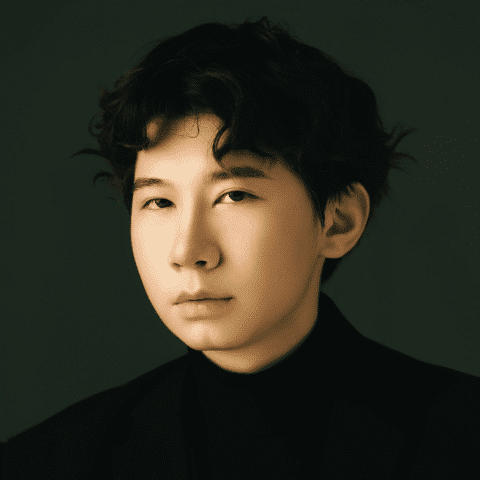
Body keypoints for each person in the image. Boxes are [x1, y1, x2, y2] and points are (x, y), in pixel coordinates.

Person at [2, 15, 479, 479]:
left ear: (339, 220)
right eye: (159, 201)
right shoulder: (48, 462)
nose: (188, 251)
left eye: (234, 196)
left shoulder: (460, 438)